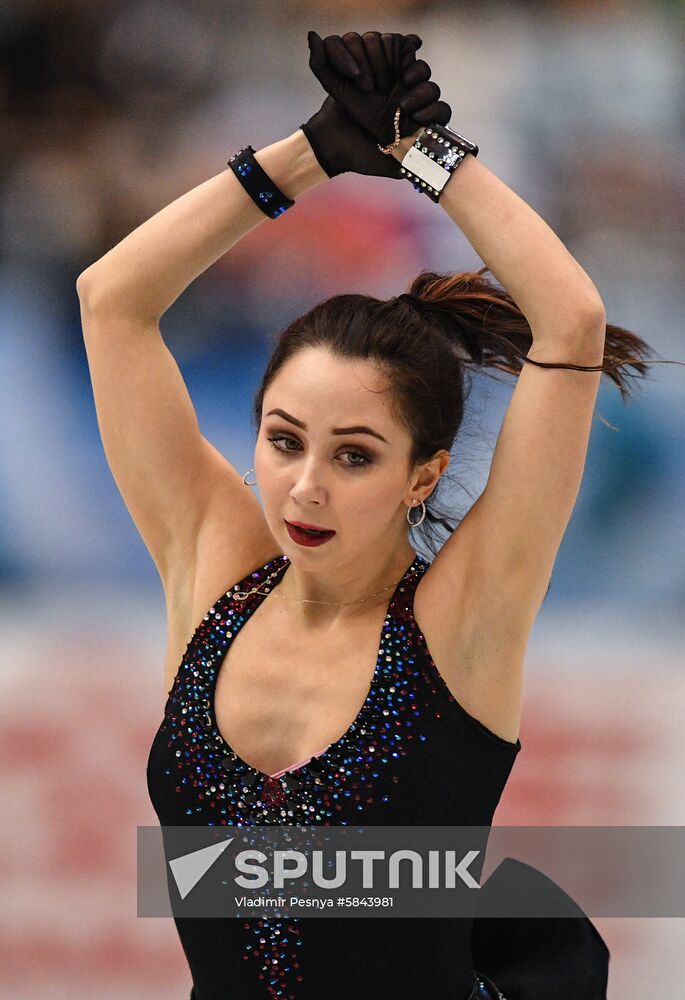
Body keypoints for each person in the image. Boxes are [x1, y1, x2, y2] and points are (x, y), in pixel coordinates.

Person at [77, 29, 657, 1000]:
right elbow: (112, 300)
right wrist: (312, 151)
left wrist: (421, 151)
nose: (305, 486)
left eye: (354, 455)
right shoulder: (216, 562)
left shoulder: (461, 620)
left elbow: (571, 325)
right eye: (284, 438)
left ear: (423, 475)